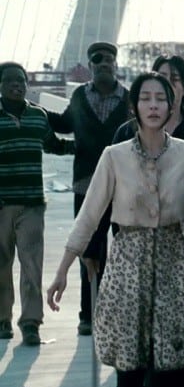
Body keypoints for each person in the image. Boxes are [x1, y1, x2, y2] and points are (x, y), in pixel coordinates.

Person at [46, 72, 184, 387]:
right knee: (130, 359)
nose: (153, 106)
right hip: (127, 264)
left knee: (177, 356)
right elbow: (89, 215)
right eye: (145, 98)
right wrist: (62, 270)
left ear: (172, 106)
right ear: (134, 106)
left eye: (160, 99)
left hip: (175, 261)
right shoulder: (114, 156)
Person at [46, 41, 130, 336]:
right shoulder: (80, 96)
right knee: (87, 250)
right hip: (86, 184)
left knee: (124, 251)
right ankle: (88, 315)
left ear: (115, 64)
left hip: (123, 186)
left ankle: (115, 314)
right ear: (90, 65)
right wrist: (33, 112)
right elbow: (64, 124)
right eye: (97, 59)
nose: (103, 63)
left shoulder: (129, 100)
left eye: (109, 59)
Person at [0, 61, 74, 345]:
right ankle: (2, 320)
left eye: (21, 81)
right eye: (10, 80)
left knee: (32, 265)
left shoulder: (38, 116)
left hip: (32, 204)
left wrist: (88, 146)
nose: (17, 85)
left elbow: (55, 145)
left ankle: (31, 323)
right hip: (2, 204)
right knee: (1, 265)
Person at [112, 54, 184, 244]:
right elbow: (110, 191)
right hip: (133, 243)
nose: (167, 83)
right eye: (161, 77)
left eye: (175, 79)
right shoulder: (126, 132)